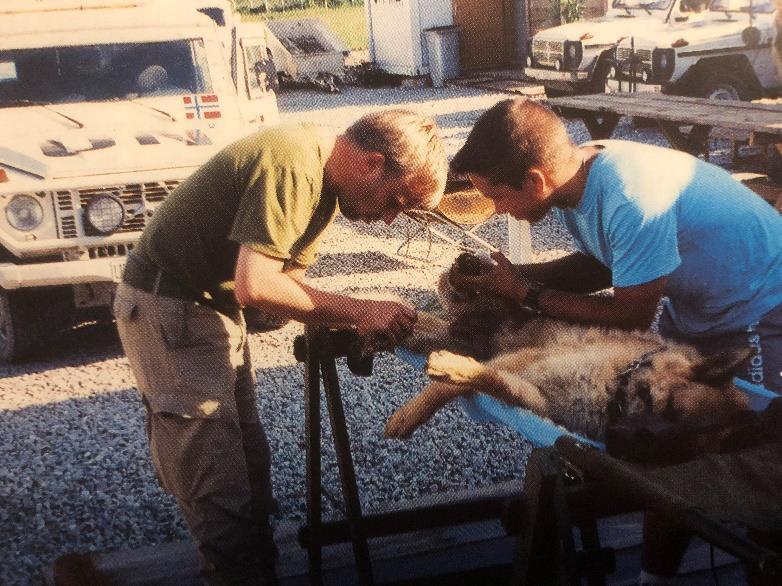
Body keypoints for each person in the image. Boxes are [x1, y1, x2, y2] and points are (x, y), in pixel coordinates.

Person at [448, 98, 782, 584]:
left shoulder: (628, 192)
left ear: (535, 180)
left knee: (757, 456)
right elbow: (605, 263)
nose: (496, 210)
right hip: (699, 308)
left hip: (761, 301)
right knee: (667, 446)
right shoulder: (574, 183)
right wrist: (516, 278)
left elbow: (630, 316)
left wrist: (524, 292)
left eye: (496, 196)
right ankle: (656, 577)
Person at [113, 110, 447, 585]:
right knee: (218, 487)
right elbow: (256, 286)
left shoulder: (325, 192)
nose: (389, 218)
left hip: (210, 310)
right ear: (373, 163)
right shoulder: (292, 163)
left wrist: (358, 321)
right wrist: (361, 308)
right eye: (396, 201)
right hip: (172, 309)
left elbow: (285, 288)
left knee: (249, 470)